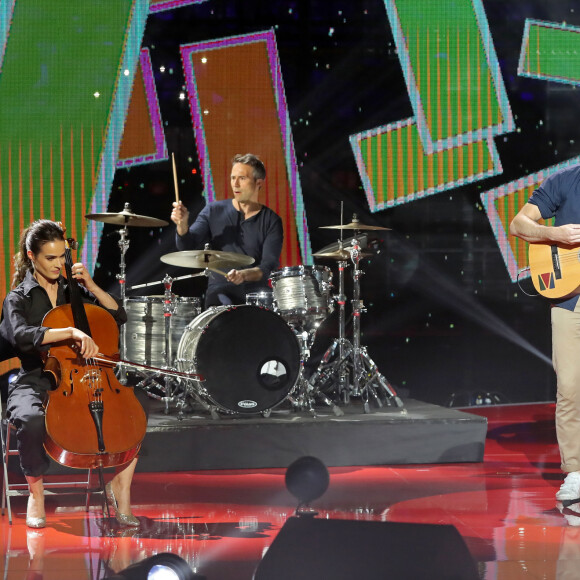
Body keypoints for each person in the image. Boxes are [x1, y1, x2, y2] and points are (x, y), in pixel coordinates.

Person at [0, 220, 140, 528]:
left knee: (130, 414)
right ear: (31, 255)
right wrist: (69, 331)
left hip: (83, 378)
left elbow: (117, 315)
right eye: (49, 258)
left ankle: (120, 487)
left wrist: (89, 285)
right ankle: (36, 493)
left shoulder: (72, 291)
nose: (56, 264)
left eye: (61, 256)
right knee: (30, 418)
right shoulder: (18, 298)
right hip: (36, 377)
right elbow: (21, 335)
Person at [510, 164, 580, 504]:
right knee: (569, 388)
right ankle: (576, 473)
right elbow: (518, 223)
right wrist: (555, 235)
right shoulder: (568, 179)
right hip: (571, 300)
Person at [171, 153, 283, 307]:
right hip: (220, 291)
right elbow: (186, 246)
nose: (235, 184)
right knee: (222, 307)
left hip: (255, 293)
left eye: (242, 178)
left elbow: (268, 267)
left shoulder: (272, 220)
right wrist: (182, 225)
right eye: (232, 178)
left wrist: (243, 275)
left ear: (259, 183)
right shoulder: (212, 211)